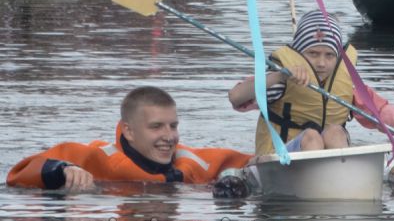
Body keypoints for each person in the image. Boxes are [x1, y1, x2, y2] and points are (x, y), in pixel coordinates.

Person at [228, 10, 394, 155]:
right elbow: (236, 97)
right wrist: (279, 76)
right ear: (300, 54)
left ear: (338, 57)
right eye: (313, 54)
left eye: (329, 55)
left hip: (332, 157)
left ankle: (339, 184)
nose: (321, 63)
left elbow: (385, 111)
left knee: (334, 132)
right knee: (312, 137)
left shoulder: (348, 86)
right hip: (282, 156)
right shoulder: (280, 80)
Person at [6, 86, 253, 192]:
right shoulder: (92, 157)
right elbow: (18, 173)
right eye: (156, 127)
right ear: (129, 131)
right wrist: (60, 170)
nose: (169, 137)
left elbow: (261, 163)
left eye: (173, 126)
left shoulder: (192, 162)